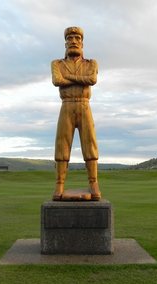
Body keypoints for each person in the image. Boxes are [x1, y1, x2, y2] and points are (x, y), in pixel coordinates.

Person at [51, 26, 101, 201]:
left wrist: (69, 79)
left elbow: (92, 79)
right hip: (66, 105)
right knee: (62, 144)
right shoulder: (57, 64)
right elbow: (57, 81)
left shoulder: (91, 63)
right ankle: (59, 184)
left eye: (77, 38)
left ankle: (94, 183)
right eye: (70, 38)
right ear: (65, 43)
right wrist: (81, 80)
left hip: (84, 105)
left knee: (90, 143)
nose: (73, 41)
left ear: (82, 42)